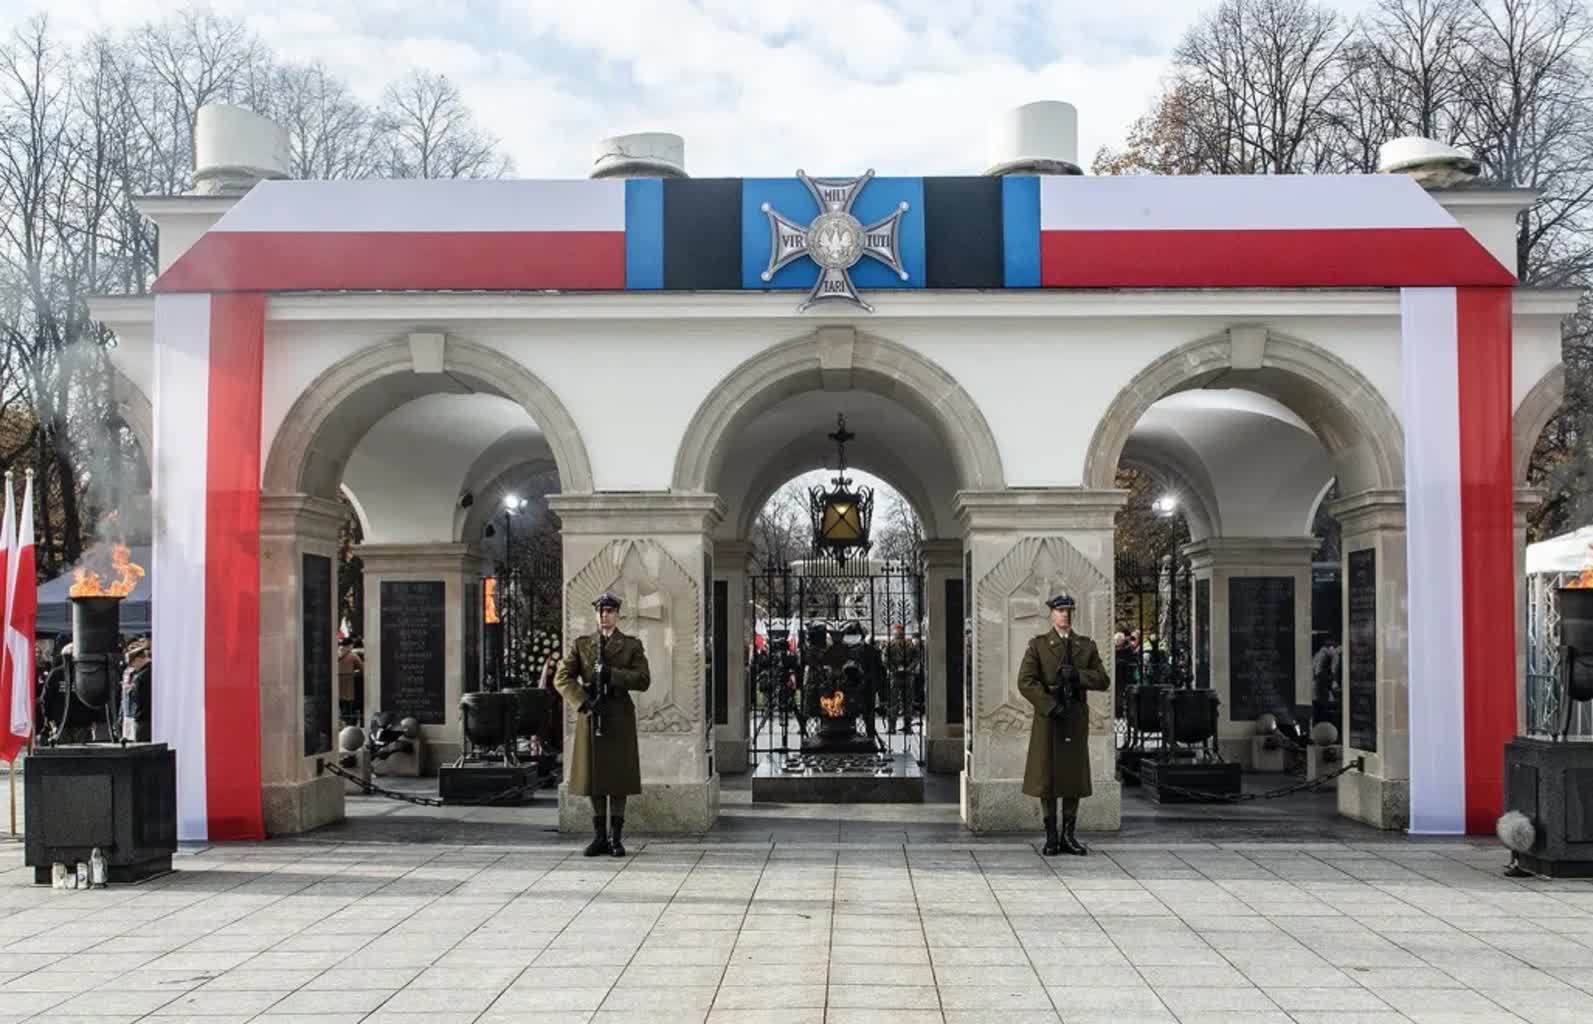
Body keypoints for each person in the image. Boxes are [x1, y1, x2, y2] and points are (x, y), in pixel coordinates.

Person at [553, 591, 650, 858]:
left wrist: (611, 675)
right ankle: (598, 837)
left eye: (609, 611)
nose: (604, 616)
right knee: (594, 777)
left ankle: (616, 838)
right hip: (592, 714)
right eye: (600, 612)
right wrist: (582, 702)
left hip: (618, 714)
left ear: (617, 615)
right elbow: (562, 678)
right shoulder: (583, 645)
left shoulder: (631, 645)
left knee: (618, 778)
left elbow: (643, 679)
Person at [1018, 594, 1110, 857]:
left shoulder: (1085, 645)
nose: (1065, 615)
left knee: (1072, 777)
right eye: (1060, 611)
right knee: (1047, 777)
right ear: (1052, 614)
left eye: (1069, 610)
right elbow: (1026, 681)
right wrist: (1049, 705)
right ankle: (1051, 836)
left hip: (1074, 716)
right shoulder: (1038, 645)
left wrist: (1079, 675)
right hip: (1050, 717)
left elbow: (1103, 680)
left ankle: (1069, 836)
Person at [883, 624, 917, 734]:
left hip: (895, 676)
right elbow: (916, 659)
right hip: (907, 675)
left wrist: (893, 669)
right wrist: (909, 669)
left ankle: (892, 726)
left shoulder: (890, 644)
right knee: (907, 702)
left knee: (893, 702)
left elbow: (885, 659)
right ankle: (907, 726)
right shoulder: (910, 644)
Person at [119, 638, 153, 741]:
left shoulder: (145, 674)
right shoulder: (136, 674)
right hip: (132, 716)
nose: (132, 666)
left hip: (140, 718)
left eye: (132, 663)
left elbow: (141, 697)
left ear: (138, 659)